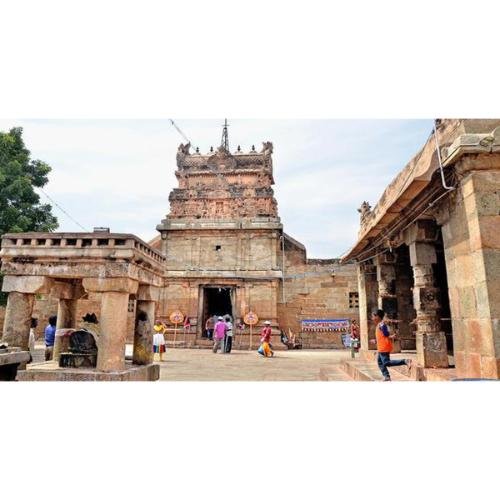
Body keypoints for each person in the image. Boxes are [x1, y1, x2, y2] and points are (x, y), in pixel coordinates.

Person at [370, 309, 412, 381]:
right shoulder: (379, 325)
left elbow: (386, 334)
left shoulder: (382, 325)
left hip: (384, 347)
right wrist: (376, 341)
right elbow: (382, 336)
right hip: (381, 347)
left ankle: (405, 361)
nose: (372, 318)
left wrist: (391, 336)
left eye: (373, 316)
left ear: (378, 317)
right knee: (380, 363)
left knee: (386, 363)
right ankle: (387, 376)